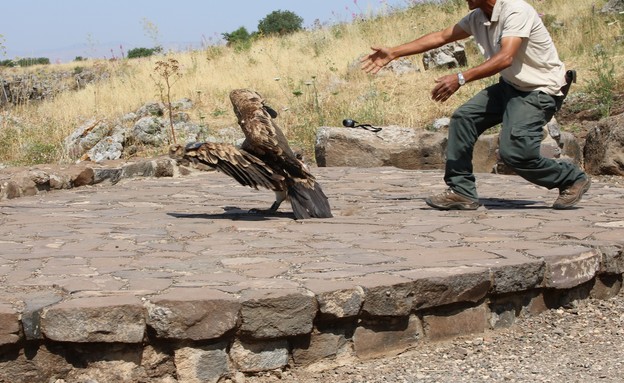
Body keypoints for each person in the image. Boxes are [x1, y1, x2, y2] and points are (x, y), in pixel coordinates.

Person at [360, 0, 590, 210]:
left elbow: (505, 57)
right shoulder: (478, 16)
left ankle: (571, 178)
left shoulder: (516, 10)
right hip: (511, 86)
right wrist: (394, 52)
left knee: (515, 153)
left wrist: (460, 78)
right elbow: (441, 37)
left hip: (539, 90)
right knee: (464, 118)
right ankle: (462, 191)